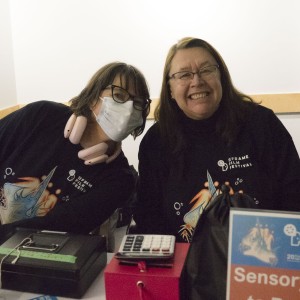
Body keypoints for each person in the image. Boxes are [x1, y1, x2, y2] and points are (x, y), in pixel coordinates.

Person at [133, 37, 300, 243]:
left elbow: (294, 194)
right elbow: (148, 217)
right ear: (170, 90)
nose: (197, 81)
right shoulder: (156, 142)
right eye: (184, 75)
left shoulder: (262, 124)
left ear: (221, 76)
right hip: (185, 266)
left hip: (262, 264)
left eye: (206, 70)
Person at [0, 62, 151, 238]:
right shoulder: (41, 116)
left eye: (137, 103)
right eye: (118, 95)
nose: (128, 109)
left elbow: (59, 226)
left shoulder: (119, 180)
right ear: (94, 95)